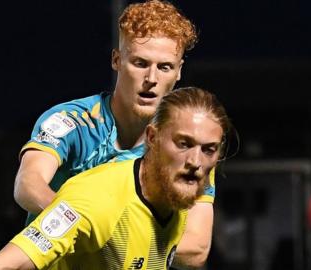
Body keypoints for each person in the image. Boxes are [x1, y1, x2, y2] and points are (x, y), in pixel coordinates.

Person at [13, 1, 213, 268]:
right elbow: (27, 185)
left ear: (178, 72)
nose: (151, 78)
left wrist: (120, 236)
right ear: (117, 60)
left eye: (164, 67)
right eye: (140, 63)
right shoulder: (72, 121)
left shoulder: (189, 146)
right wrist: (86, 223)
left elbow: (197, 247)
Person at [0, 87, 232, 270]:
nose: (195, 161)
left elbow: (197, 251)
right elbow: (4, 265)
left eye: (208, 149)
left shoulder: (180, 192)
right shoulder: (97, 199)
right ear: (152, 139)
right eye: (183, 143)